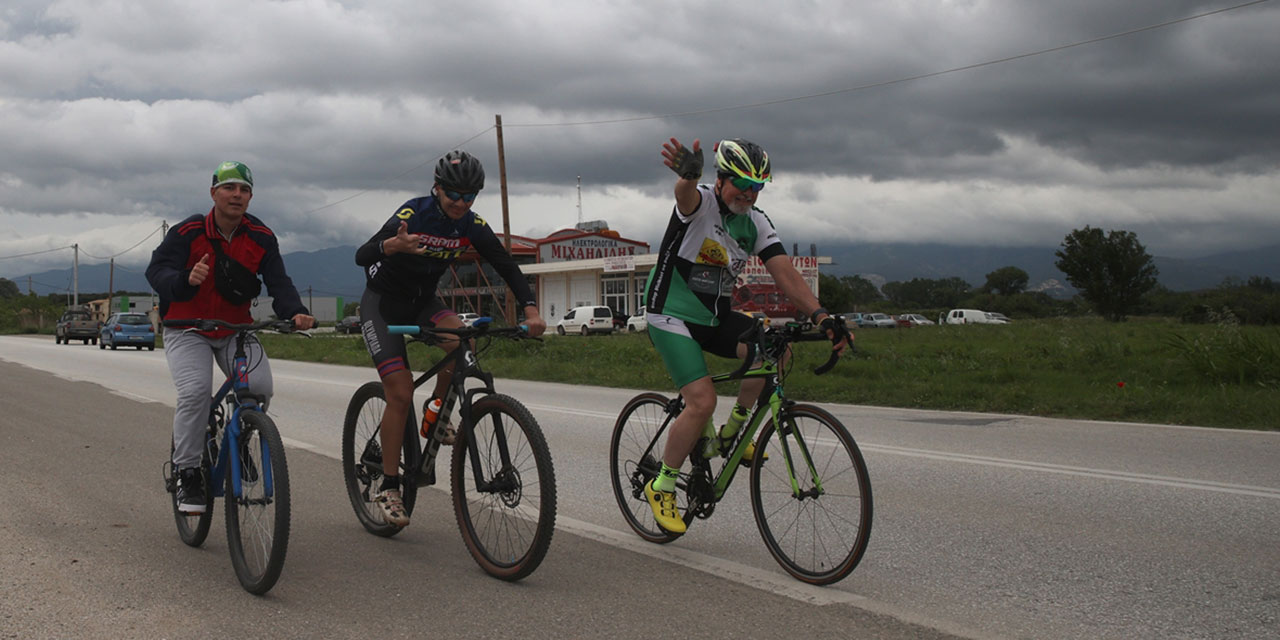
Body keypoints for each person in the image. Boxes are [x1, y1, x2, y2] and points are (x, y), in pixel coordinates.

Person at [643, 138, 852, 534]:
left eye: (758, 186)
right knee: (701, 401)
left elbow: (785, 274)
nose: (750, 193)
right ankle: (663, 484)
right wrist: (688, 175)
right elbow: (683, 195)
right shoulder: (701, 203)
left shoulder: (755, 221)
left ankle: (731, 434)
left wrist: (823, 316)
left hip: (713, 317)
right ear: (721, 178)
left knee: (775, 350)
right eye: (742, 183)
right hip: (669, 315)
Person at [354, 150, 546, 528]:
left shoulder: (471, 224)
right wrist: (390, 246)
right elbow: (363, 254)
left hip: (424, 302)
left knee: (464, 344)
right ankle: (389, 485)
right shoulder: (414, 213)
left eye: (470, 196)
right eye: (454, 195)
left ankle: (435, 414)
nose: (461, 203)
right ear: (437, 188)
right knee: (399, 391)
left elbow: (505, 264)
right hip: (383, 305)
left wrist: (531, 310)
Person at [146, 161, 316, 514]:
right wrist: (183, 280)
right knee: (195, 392)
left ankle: (240, 438)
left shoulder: (262, 237)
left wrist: (295, 311)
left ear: (251, 197)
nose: (237, 195)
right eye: (229, 187)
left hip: (235, 329)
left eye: (244, 189)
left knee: (259, 387)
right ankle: (188, 471)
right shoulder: (188, 231)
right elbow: (156, 270)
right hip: (187, 327)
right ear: (213, 193)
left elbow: (279, 282)